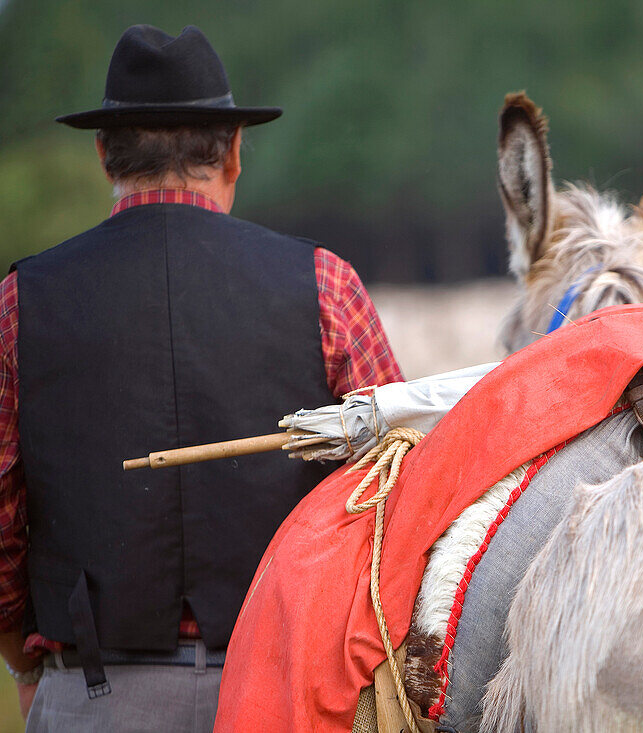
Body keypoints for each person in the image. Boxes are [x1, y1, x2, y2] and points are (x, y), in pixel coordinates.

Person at [0, 24, 403, 731]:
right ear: (236, 153)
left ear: (103, 155)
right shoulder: (324, 285)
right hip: (284, 693)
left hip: (91, 695)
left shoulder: (19, 303)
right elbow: (395, 494)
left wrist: (24, 659)